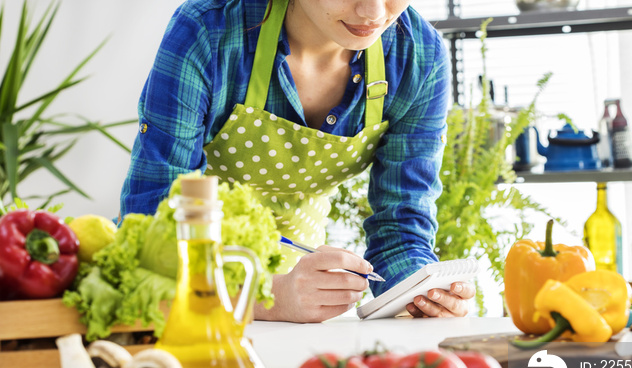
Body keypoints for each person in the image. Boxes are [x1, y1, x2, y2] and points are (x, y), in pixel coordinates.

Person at [119, 0, 475, 322]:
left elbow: (400, 229)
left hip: (302, 311)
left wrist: (419, 294)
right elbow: (154, 223)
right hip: (186, 299)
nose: (374, 13)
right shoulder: (208, 32)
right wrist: (270, 296)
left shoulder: (418, 57)